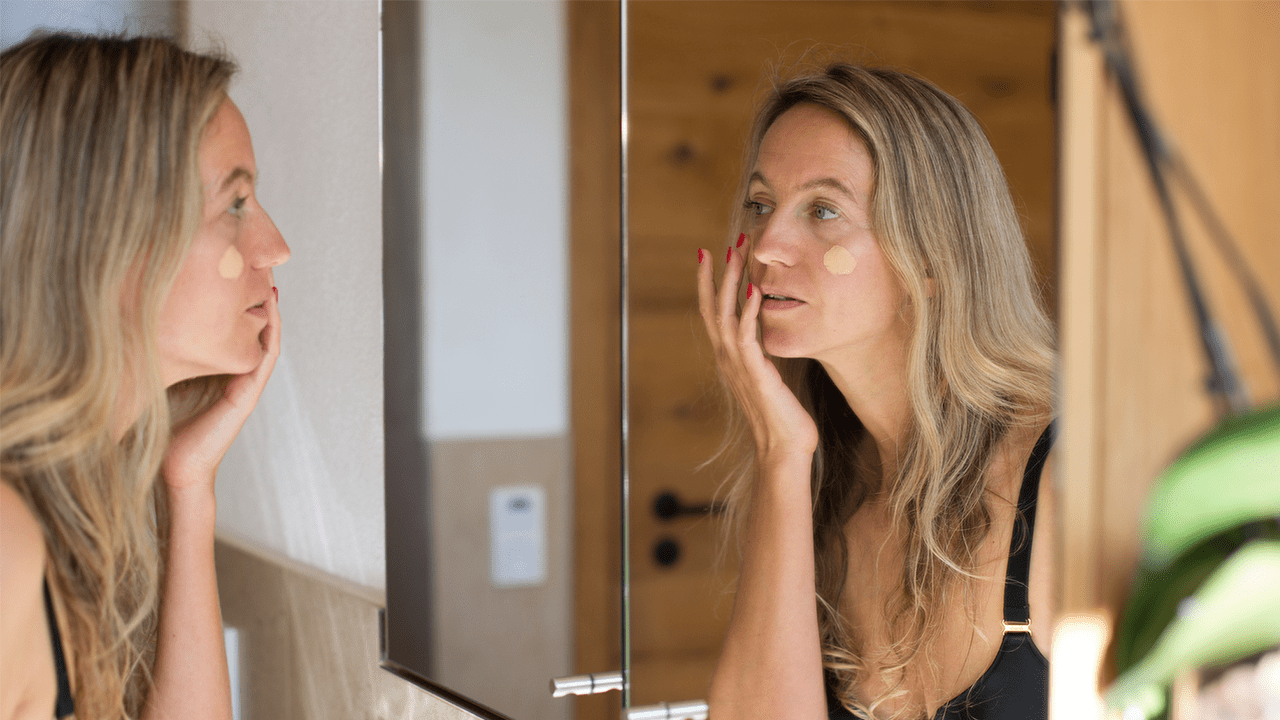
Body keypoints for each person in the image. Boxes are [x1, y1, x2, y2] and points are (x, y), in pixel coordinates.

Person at [697, 63, 1057, 720]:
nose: (767, 246)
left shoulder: (1058, 478)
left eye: (823, 210)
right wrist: (781, 454)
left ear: (932, 256)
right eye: (761, 204)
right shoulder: (827, 488)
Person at [1, 34, 289, 719]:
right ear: (108, 241)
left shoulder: (69, 508)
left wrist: (189, 488)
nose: (275, 248)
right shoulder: (6, 539)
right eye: (235, 205)